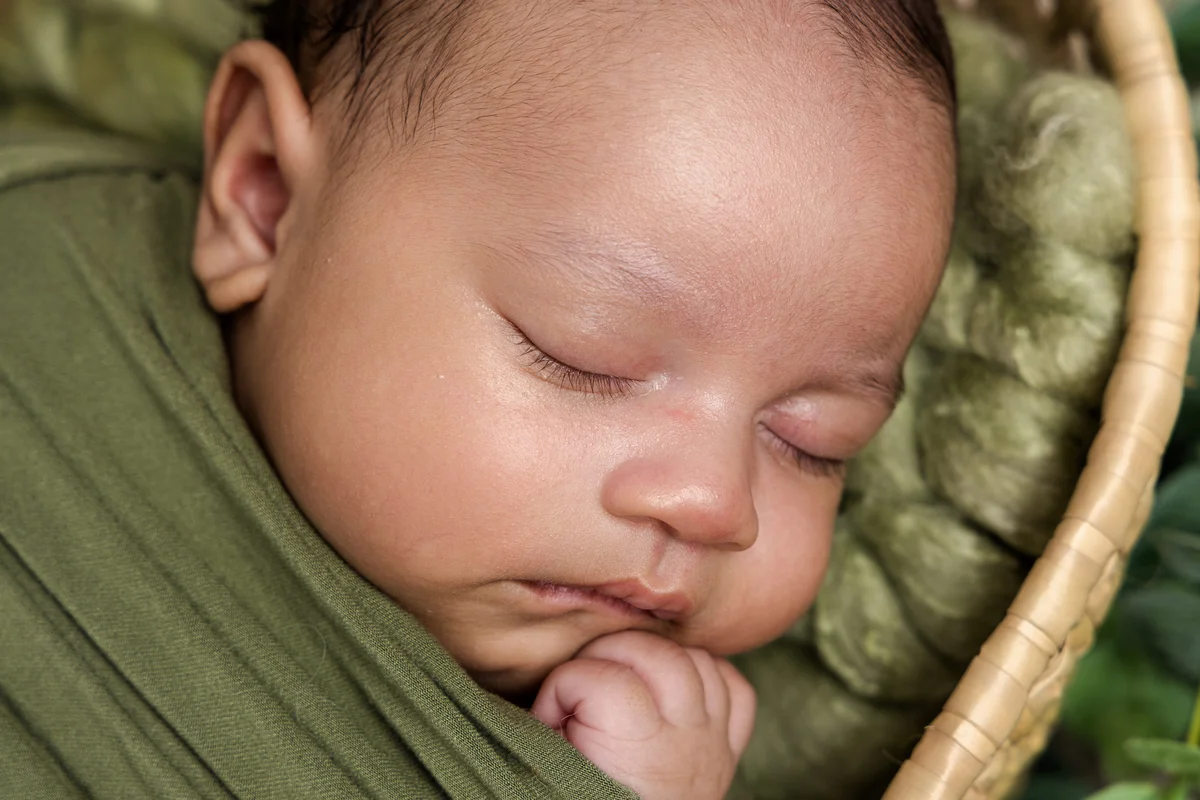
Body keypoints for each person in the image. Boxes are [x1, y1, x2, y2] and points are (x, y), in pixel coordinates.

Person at [0, 1, 955, 797]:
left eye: (814, 440)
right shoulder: (39, 280)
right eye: (583, 353)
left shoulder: (652, 738)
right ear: (266, 197)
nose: (717, 505)